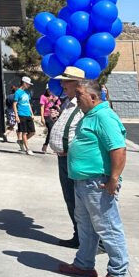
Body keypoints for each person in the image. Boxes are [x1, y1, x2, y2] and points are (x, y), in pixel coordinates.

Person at [58, 78, 132, 277]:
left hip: (99, 183)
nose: (76, 97)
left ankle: (117, 275)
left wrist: (113, 180)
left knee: (108, 227)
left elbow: (118, 149)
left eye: (79, 94)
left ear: (93, 96)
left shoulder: (104, 116)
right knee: (86, 226)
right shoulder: (89, 115)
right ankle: (84, 264)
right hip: (84, 182)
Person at [48, 66, 85, 247]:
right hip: (64, 159)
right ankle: (79, 235)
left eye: (65, 81)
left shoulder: (83, 104)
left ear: (76, 83)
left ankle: (92, 240)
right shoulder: (67, 102)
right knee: (70, 198)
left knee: (81, 201)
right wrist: (56, 118)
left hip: (74, 159)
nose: (61, 84)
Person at [14, 76, 36, 154]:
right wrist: (16, 116)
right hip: (21, 114)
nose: (29, 85)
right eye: (28, 84)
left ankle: (22, 141)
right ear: (24, 83)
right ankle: (28, 149)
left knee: (32, 132)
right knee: (24, 132)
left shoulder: (27, 92)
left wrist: (32, 113)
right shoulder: (17, 92)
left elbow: (28, 103)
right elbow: (14, 104)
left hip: (28, 114)